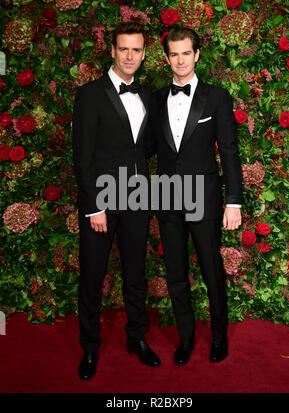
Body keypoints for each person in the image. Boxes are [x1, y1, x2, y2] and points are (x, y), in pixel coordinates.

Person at [147, 27, 243, 365]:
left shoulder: (217, 97)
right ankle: (185, 340)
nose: (180, 60)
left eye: (186, 53)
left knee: (211, 269)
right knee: (175, 273)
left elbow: (229, 152)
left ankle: (219, 338)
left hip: (204, 197)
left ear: (197, 55)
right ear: (167, 58)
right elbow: (144, 149)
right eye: (174, 54)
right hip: (167, 197)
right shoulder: (155, 99)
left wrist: (234, 201)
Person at [72, 22, 161, 381]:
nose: (129, 56)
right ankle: (90, 346)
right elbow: (83, 156)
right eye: (123, 48)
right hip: (102, 198)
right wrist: (94, 206)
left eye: (136, 49)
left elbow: (148, 146)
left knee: (135, 275)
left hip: (138, 196)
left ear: (143, 53)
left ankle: (136, 338)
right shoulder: (90, 95)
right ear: (112, 50)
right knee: (93, 276)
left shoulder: (150, 95)